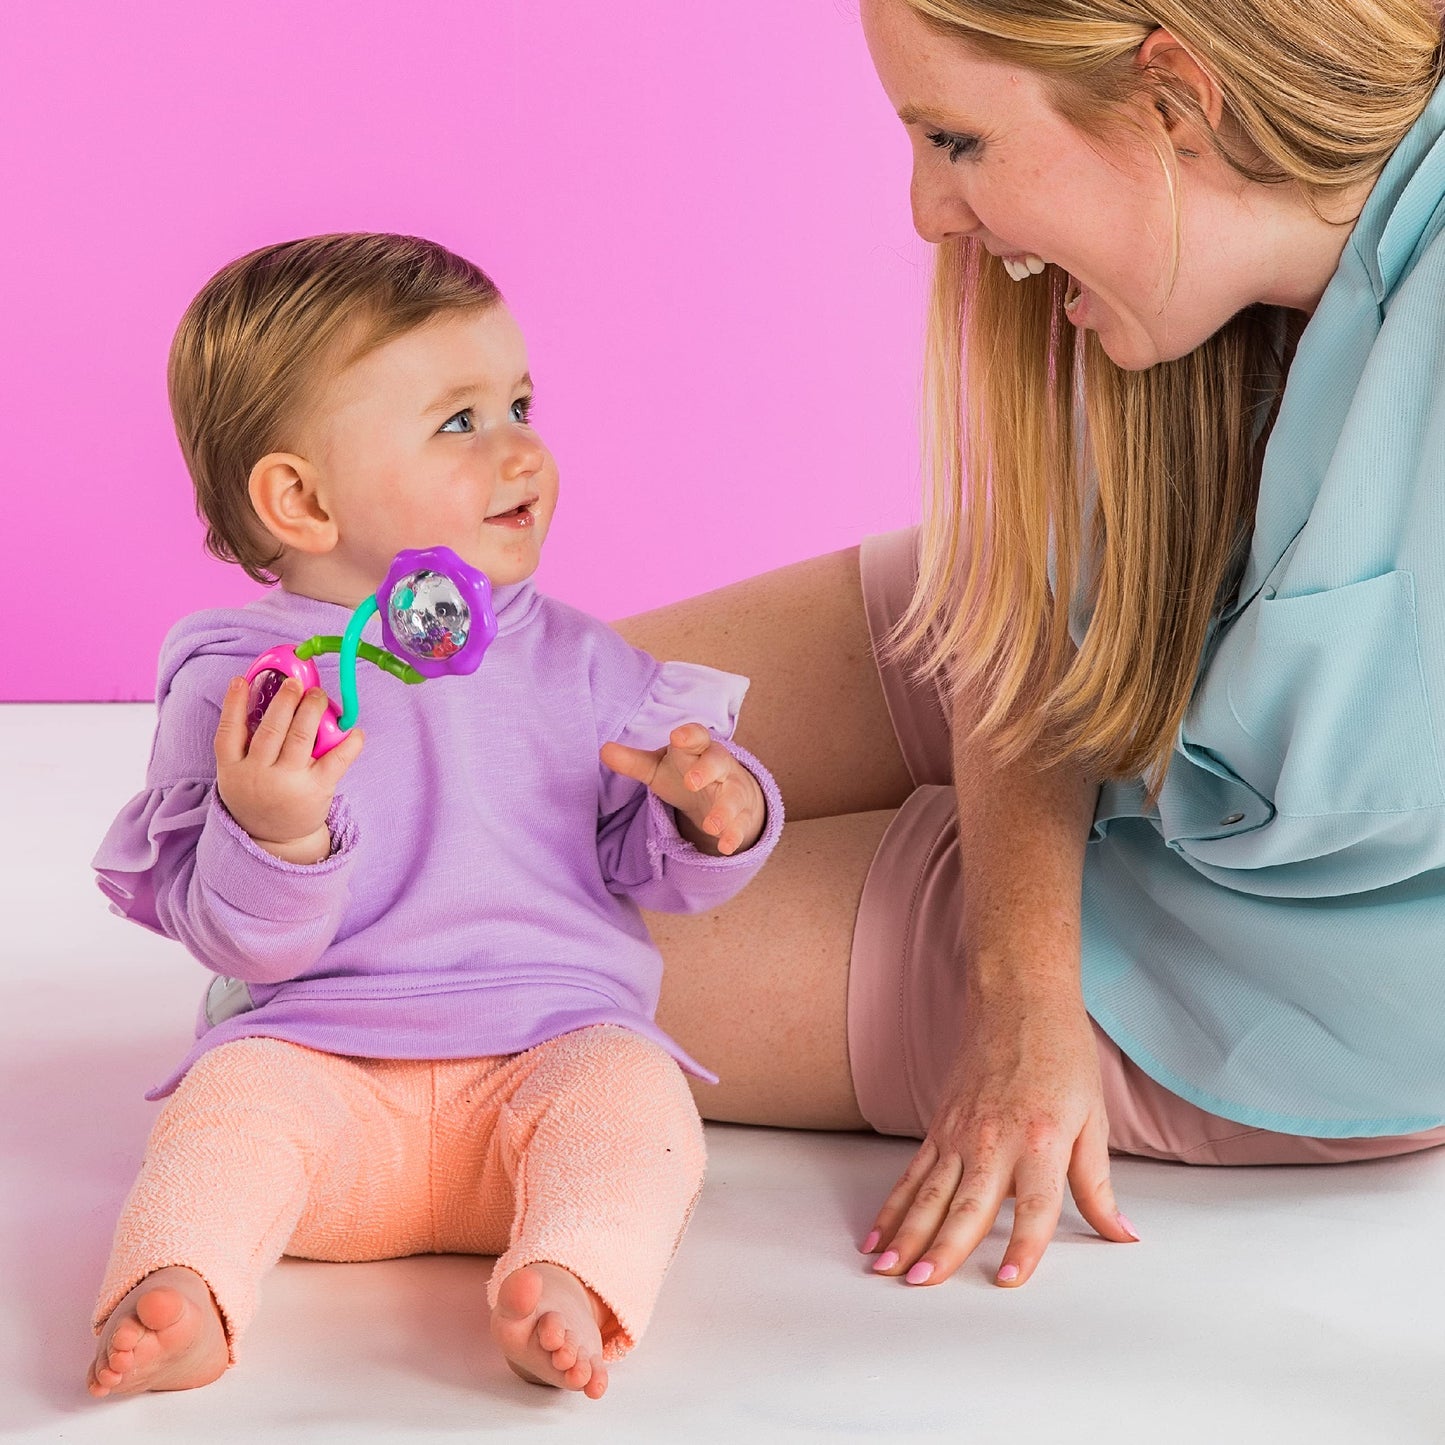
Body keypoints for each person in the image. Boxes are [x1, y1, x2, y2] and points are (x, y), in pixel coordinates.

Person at [616, 0, 1445, 1297]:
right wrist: (1013, 983)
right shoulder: (1170, 294)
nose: (923, 213)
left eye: (954, 139)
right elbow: (1043, 629)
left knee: (433, 945)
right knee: (468, 737)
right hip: (1100, 677)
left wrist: (1043, 1013)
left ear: (1173, 103)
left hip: (1249, 966)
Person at [84, 233, 784, 1401]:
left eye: (518, 400)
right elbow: (245, 946)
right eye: (458, 421)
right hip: (321, 1064)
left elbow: (641, 863)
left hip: (545, 1054)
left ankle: (570, 1271)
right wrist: (274, 827)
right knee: (226, 1107)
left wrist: (717, 810)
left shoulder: (580, 658)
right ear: (300, 498)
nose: (521, 447)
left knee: (638, 1102)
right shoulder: (236, 685)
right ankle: (184, 1284)